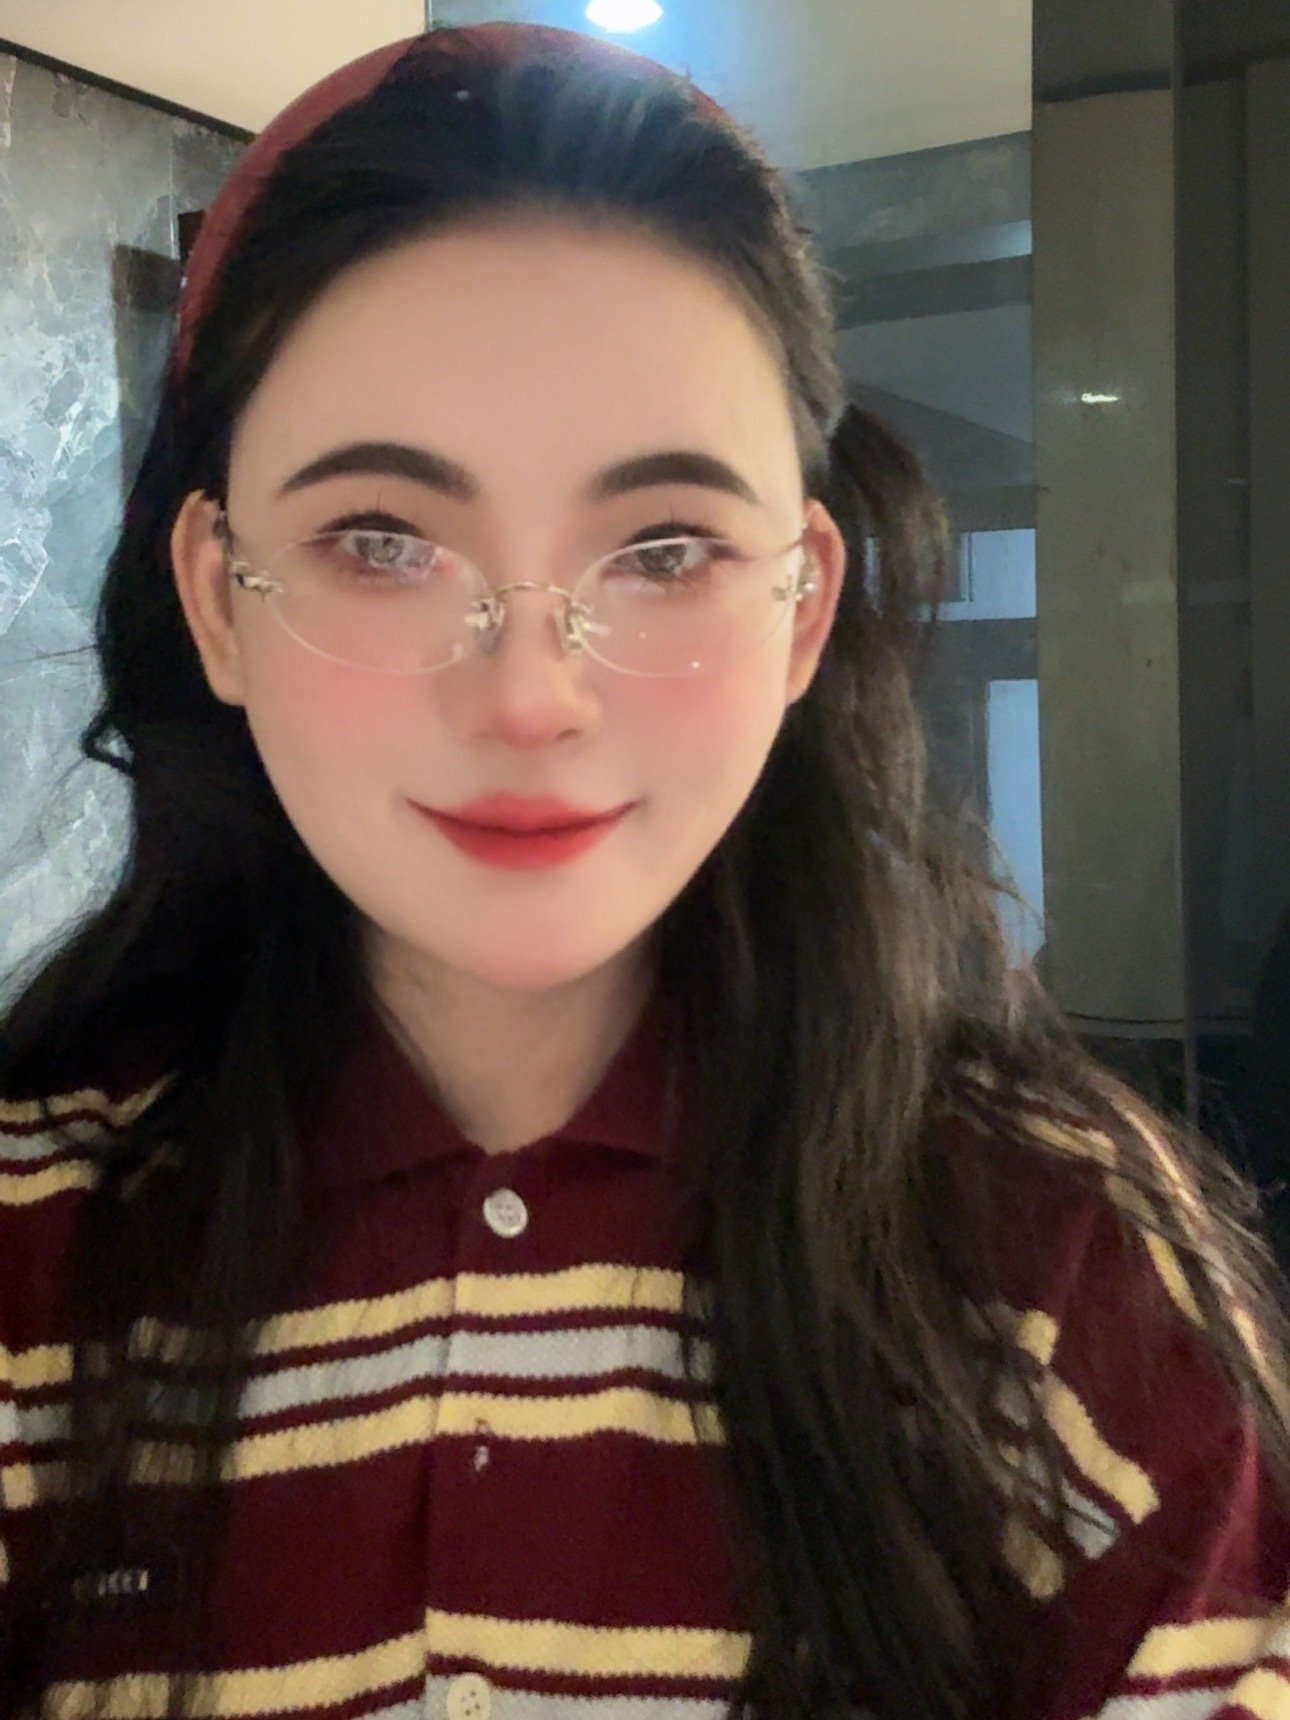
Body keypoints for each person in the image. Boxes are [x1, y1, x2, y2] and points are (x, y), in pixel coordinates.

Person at [1, 23, 1289, 1720]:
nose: (530, 697)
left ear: (802, 607)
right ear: (217, 599)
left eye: (664, 547)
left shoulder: (1062, 1271)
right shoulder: (34, 1260)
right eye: (381, 539)